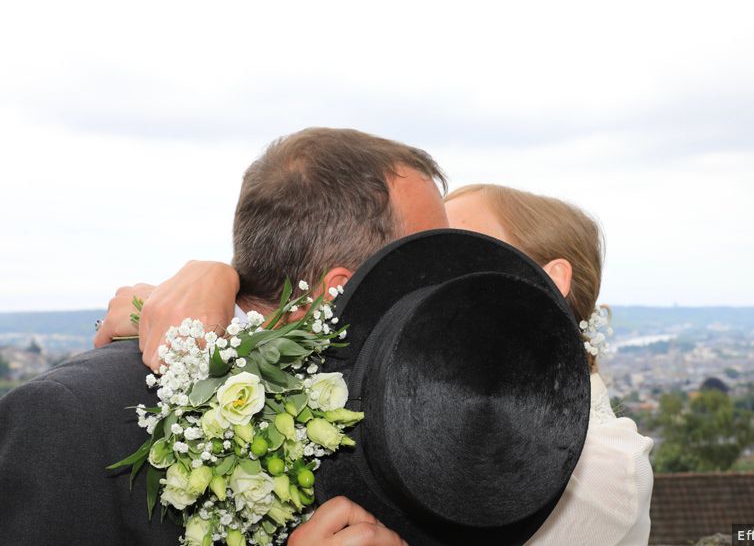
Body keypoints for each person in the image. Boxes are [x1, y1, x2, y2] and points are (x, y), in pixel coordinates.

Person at [98, 183, 655, 544]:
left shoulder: (602, 468)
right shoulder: (432, 412)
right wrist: (211, 285)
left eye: (468, 253)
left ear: (551, 283)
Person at [0, 127, 445, 546]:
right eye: (427, 264)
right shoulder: (71, 419)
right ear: (337, 292)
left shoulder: (412, 430)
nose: (446, 294)